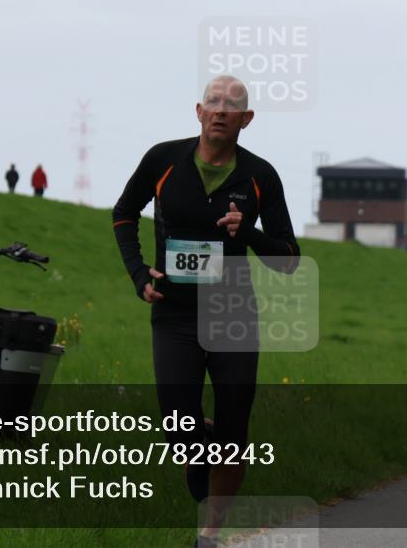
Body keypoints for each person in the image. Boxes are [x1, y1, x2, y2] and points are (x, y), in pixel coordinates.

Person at [112, 75, 299, 548]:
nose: (220, 110)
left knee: (235, 425)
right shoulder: (162, 159)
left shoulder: (260, 175)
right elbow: (123, 214)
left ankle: (210, 534)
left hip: (234, 313)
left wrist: (249, 235)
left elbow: (289, 260)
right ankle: (206, 457)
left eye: (231, 105)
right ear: (198, 111)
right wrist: (139, 275)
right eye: (213, 102)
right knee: (179, 424)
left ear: (246, 119)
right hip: (175, 315)